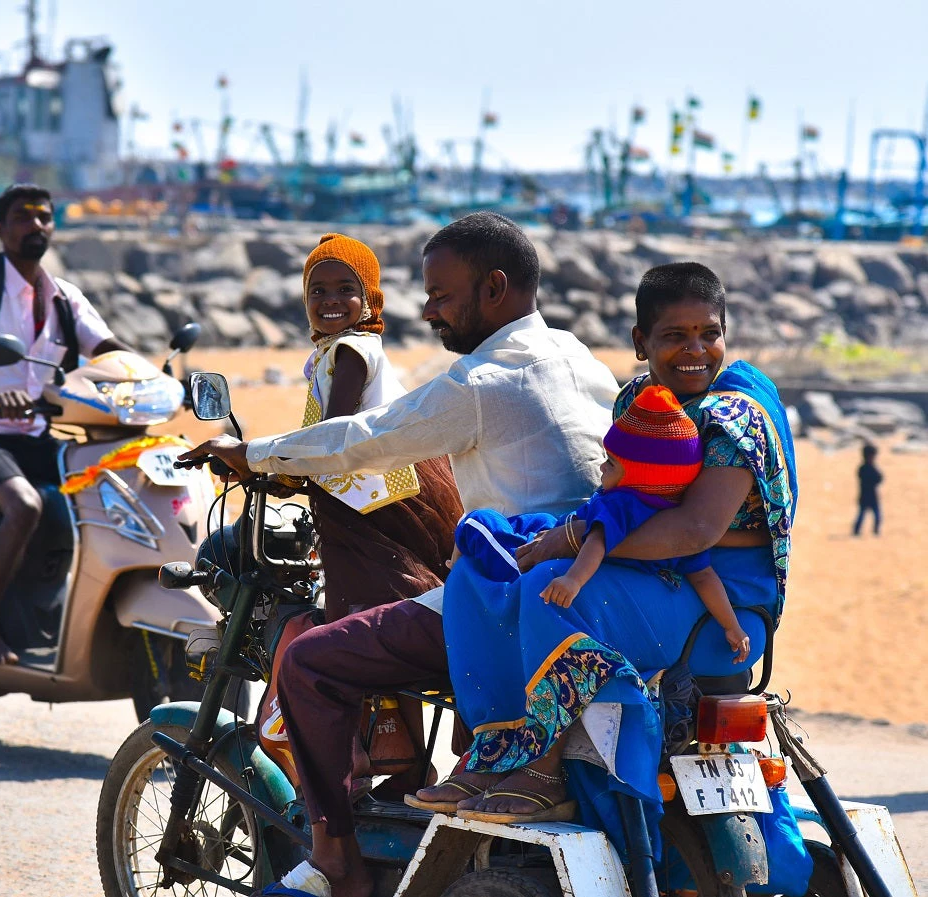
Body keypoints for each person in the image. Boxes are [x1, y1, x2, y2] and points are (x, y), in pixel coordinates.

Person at [180, 211, 620, 897]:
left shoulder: (481, 381)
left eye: (441, 294)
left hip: (508, 596)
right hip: (598, 589)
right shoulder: (576, 356)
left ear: (494, 287)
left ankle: (335, 858)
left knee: (308, 660)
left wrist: (252, 453)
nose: (428, 309)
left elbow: (366, 438)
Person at [434, 262, 798, 858]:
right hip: (649, 575)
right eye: (674, 336)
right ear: (640, 342)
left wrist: (573, 542)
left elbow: (693, 532)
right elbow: (622, 499)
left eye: (709, 333)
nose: (695, 350)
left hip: (720, 599)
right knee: (482, 565)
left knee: (552, 584)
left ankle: (543, 769)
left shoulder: (736, 420)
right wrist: (564, 535)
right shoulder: (638, 403)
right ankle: (494, 750)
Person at [271, 232, 462, 800]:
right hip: (359, 499)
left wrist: (273, 460)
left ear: (370, 298)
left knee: (363, 626)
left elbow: (336, 434)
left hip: (376, 509)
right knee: (373, 622)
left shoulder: (353, 350)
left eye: (345, 289)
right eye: (318, 290)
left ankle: (377, 769)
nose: (331, 300)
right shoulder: (335, 352)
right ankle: (401, 763)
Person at [0, 184, 132, 663]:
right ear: (0, 230)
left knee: (116, 487)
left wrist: (159, 381)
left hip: (38, 435)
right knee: (23, 506)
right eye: (23, 217)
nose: (36, 225)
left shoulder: (65, 298)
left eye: (44, 216)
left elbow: (109, 352)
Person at [452, 384, 750, 664]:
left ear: (639, 476)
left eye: (610, 463)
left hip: (545, 563)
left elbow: (596, 541)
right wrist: (732, 626)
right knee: (540, 521)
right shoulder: (671, 520)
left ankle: (463, 550)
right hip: (571, 537)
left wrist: (573, 581)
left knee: (479, 523)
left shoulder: (620, 504)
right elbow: (704, 577)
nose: (601, 467)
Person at [853, 442, 882, 536]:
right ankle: (856, 531)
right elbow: (875, 479)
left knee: (877, 516)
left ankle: (876, 531)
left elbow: (880, 478)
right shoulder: (863, 468)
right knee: (861, 515)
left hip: (872, 496)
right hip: (865, 496)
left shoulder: (872, 468)